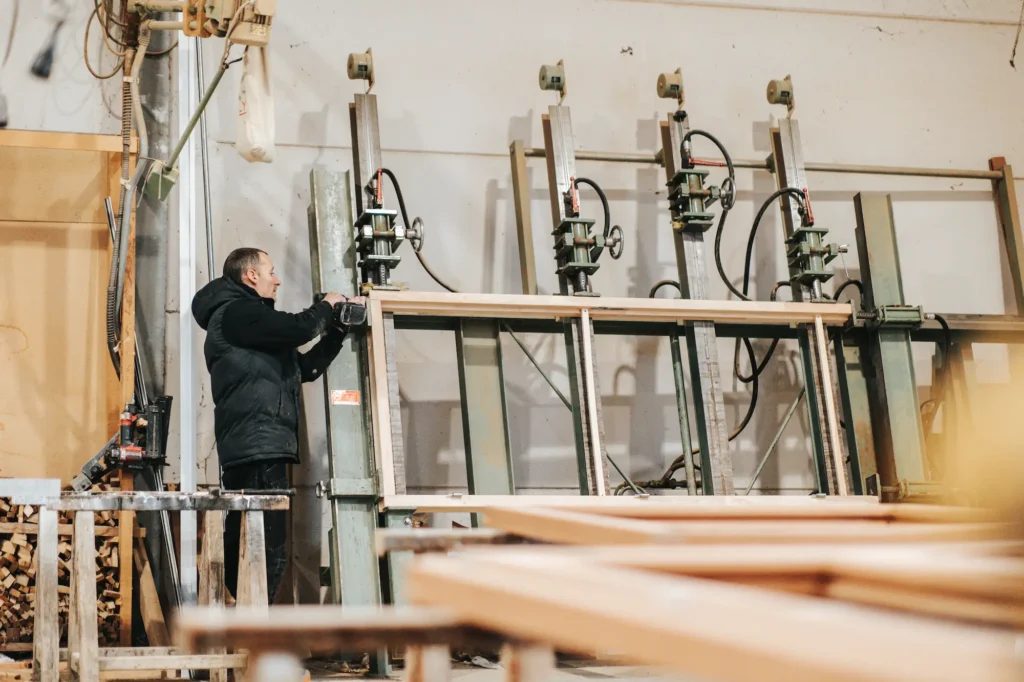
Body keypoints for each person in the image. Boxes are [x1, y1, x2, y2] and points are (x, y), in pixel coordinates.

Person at [191, 247, 359, 602]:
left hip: (258, 444)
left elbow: (306, 368)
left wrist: (337, 331)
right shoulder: (237, 312)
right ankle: (253, 635)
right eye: (271, 271)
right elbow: (297, 329)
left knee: (256, 544)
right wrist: (326, 306)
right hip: (258, 445)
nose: (277, 279)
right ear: (251, 275)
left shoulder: (252, 329)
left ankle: (247, 625)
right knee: (264, 547)